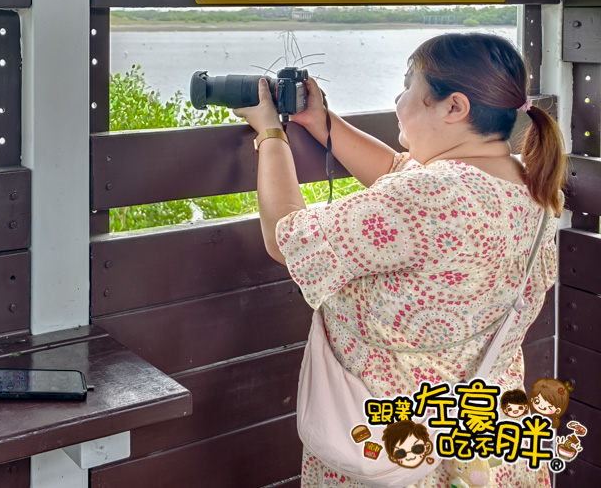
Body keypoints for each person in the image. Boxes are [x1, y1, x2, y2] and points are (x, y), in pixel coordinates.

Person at [234, 33, 564, 488]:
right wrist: (322, 121)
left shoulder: (430, 196)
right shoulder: (531, 187)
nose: (397, 98)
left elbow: (285, 237)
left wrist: (269, 132)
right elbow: (400, 176)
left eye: (409, 85)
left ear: (454, 108)